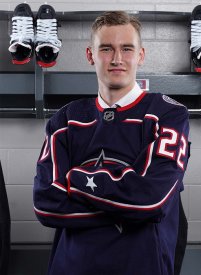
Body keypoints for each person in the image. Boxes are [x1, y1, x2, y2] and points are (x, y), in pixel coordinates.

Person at [33, 11, 189, 275]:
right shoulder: (66, 119)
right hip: (72, 267)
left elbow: (149, 201)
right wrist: (127, 208)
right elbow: (46, 203)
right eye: (106, 48)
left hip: (141, 266)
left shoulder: (167, 114)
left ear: (140, 55)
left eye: (127, 48)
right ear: (90, 55)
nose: (117, 59)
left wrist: (75, 180)